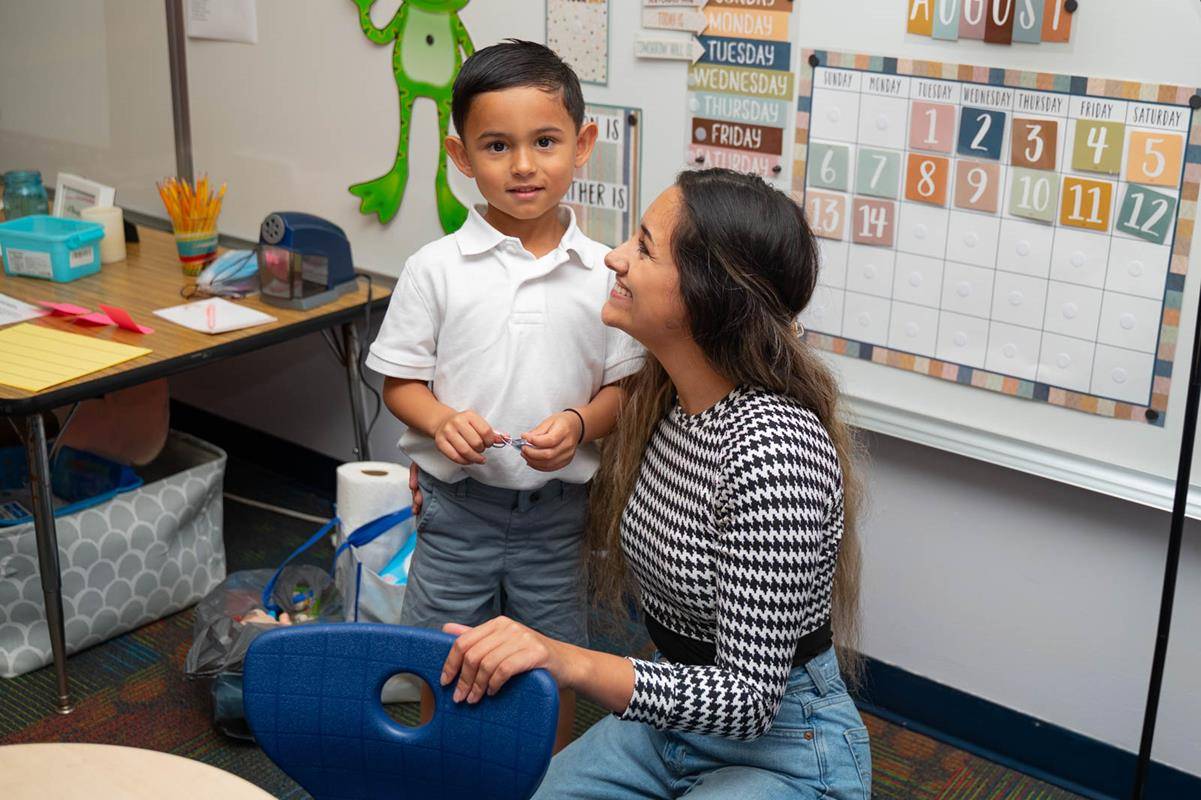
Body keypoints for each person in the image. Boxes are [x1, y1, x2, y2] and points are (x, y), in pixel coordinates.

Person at [435, 168, 871, 798]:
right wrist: (438, 478)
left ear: (704, 292)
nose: (614, 258)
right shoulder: (667, 402)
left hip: (782, 745)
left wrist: (569, 660)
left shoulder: (774, 452)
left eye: (642, 247)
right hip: (675, 715)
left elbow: (748, 701)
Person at [364, 40, 644, 750]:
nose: (523, 166)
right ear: (462, 157)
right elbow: (400, 379)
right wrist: (441, 419)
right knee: (439, 653)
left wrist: (582, 423)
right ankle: (443, 766)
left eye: (544, 141)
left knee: (547, 663)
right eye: (497, 146)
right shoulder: (435, 268)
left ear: (582, 145)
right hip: (457, 508)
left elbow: (624, 389)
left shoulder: (603, 273)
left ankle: (548, 780)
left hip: (557, 518)